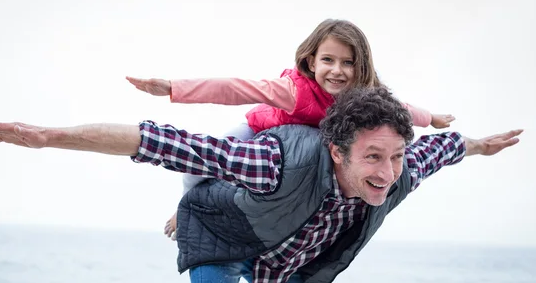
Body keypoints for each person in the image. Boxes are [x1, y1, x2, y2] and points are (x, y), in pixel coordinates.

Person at [0, 87, 521, 283]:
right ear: (337, 152)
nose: (388, 171)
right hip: (223, 232)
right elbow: (165, 142)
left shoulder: (399, 168)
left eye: (396, 156)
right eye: (373, 157)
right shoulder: (276, 162)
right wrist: (49, 137)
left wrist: (480, 145)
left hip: (286, 256)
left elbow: (445, 147)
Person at [126, 19, 456, 240]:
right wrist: (172, 88)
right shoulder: (294, 90)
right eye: (328, 60)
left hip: (301, 155)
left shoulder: (364, 99)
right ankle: (184, 210)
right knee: (197, 164)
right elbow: (236, 88)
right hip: (257, 132)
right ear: (312, 62)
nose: (337, 71)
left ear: (361, 66)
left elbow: (402, 109)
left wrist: (433, 118)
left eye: (348, 62)